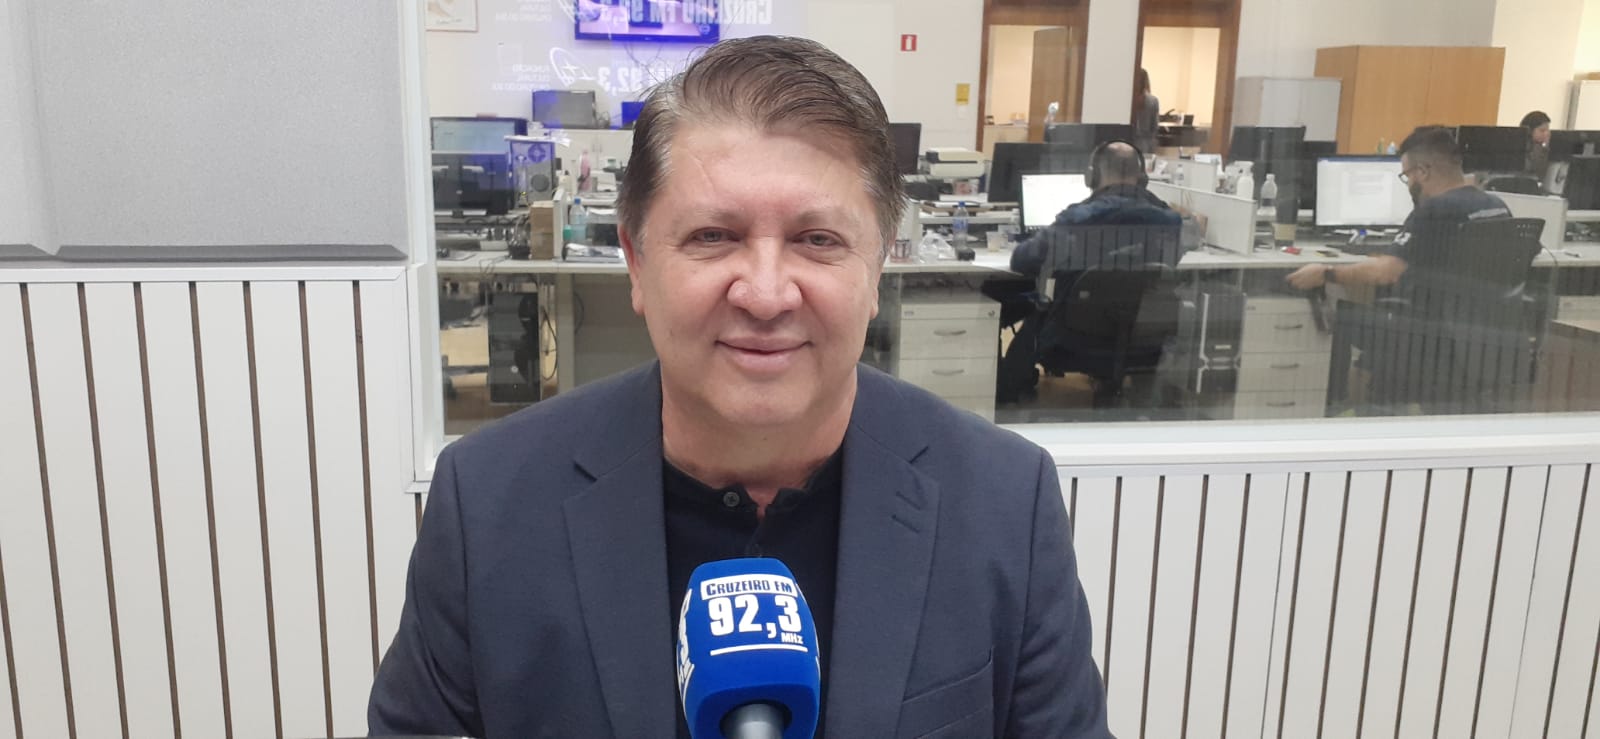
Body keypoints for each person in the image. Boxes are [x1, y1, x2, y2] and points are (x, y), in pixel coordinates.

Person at [369, 36, 1112, 739]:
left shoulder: (1005, 505)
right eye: (713, 236)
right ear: (636, 261)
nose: (764, 294)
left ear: (878, 265)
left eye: (817, 240)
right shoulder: (488, 506)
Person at [994, 142, 1182, 403]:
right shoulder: (1169, 222)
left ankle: (1007, 394)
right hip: (1145, 339)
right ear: (1143, 179)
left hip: (1072, 338)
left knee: (1034, 308)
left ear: (1091, 176)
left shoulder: (1077, 220)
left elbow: (1022, 261)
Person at [1286, 126, 1510, 295]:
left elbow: (1387, 272)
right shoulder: (1496, 206)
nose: (1408, 183)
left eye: (1406, 175)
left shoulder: (1434, 210)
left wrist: (1327, 273)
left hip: (1431, 331)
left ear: (1422, 172)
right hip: (1485, 332)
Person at [1133, 69, 1160, 154]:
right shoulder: (1153, 100)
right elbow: (1155, 126)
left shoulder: (1129, 99)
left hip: (1130, 141)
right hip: (1146, 143)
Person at [1521, 110, 1552, 178]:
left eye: (1548, 130)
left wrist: (1545, 148)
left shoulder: (1543, 148)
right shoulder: (1523, 149)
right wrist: (1544, 149)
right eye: (1542, 130)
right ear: (1529, 131)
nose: (1547, 134)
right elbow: (1538, 171)